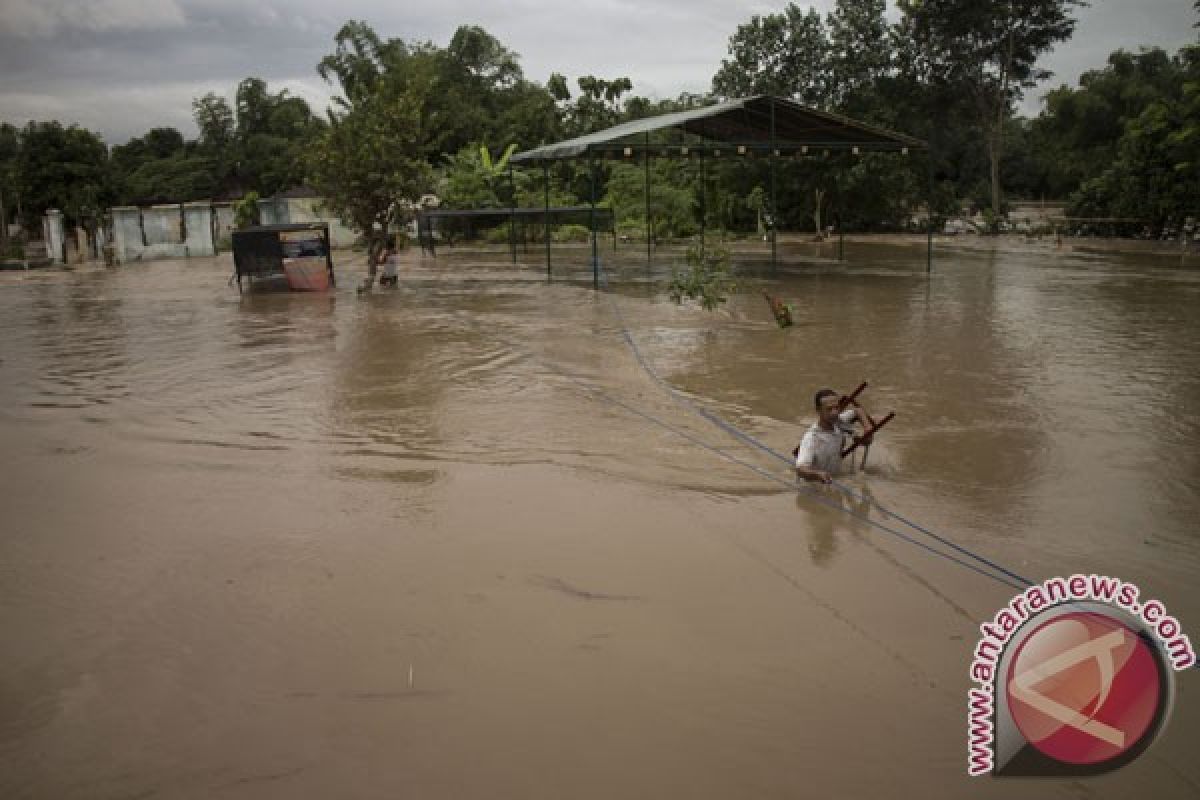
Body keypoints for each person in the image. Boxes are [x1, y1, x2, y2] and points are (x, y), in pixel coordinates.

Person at [794, 388, 870, 484]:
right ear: (819, 411)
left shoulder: (838, 422)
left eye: (836, 408)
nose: (834, 412)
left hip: (835, 480)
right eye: (829, 409)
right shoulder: (812, 438)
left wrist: (867, 428)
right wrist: (817, 474)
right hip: (815, 486)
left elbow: (858, 411)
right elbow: (800, 470)